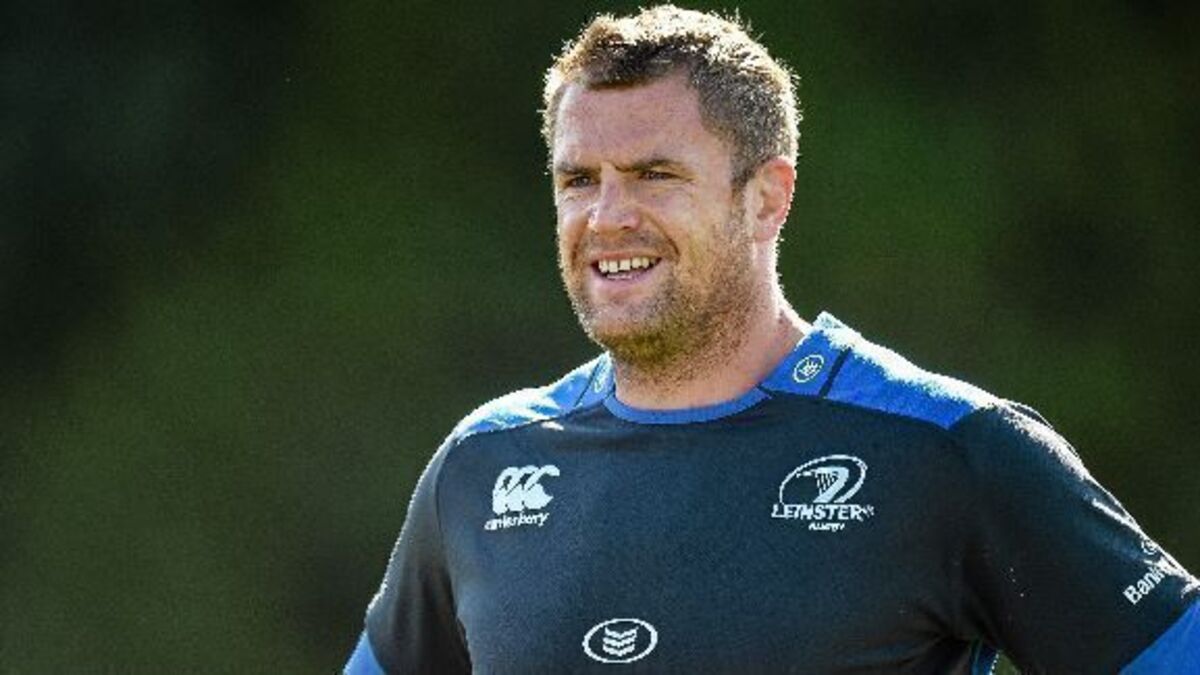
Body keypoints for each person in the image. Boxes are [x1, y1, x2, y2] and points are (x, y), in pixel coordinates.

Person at [345, 6, 1198, 673]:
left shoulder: (950, 450)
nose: (606, 217)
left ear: (766, 198)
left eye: (654, 174)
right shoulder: (484, 466)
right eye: (578, 180)